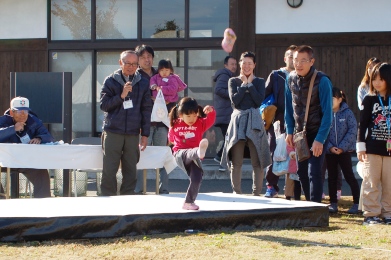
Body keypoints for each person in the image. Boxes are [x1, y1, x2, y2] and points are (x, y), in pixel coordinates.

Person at [100, 50, 153, 196]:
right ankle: (107, 200)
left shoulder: (143, 82)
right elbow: (104, 105)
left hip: (133, 132)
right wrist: (121, 95)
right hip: (113, 131)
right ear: (120, 63)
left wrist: (145, 134)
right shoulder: (110, 80)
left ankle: (128, 200)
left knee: (131, 170)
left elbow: (146, 109)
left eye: (134, 64)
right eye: (127, 63)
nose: (131, 67)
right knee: (109, 169)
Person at [285, 45, 333, 203]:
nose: (298, 64)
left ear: (312, 61)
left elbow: (328, 114)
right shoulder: (290, 78)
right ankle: (308, 207)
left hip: (318, 132)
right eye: (295, 60)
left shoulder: (323, 81)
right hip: (300, 134)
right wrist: (289, 131)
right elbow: (289, 107)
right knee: (302, 172)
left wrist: (320, 139)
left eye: (303, 61)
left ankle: (316, 208)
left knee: (314, 171)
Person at [221, 51, 271, 196]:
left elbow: (258, 100)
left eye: (250, 63)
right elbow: (235, 101)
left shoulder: (260, 81)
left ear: (254, 65)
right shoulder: (233, 81)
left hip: (255, 120)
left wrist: (249, 85)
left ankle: (257, 192)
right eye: (244, 63)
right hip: (237, 121)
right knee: (236, 161)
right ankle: (237, 192)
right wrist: (244, 85)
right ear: (240, 64)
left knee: (258, 160)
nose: (247, 66)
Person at [357, 62, 391, 225]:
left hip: (389, 150)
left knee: (389, 183)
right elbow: (362, 124)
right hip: (372, 148)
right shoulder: (369, 99)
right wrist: (360, 146)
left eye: (381, 79)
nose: (377, 82)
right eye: (374, 79)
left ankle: (388, 213)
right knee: (371, 182)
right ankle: (371, 214)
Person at [134, 45, 171, 194]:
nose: (146, 59)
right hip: (143, 124)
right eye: (143, 57)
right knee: (141, 157)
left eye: (149, 56)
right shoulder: (135, 76)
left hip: (161, 123)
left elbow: (173, 92)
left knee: (162, 155)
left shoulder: (161, 74)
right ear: (138, 59)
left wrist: (170, 101)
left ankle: (164, 189)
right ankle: (139, 190)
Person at [168, 97, 216, 210]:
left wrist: (211, 110)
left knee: (197, 178)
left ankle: (188, 202)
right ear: (181, 115)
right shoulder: (176, 124)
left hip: (194, 157)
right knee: (190, 152)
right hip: (180, 154)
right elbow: (170, 138)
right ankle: (198, 151)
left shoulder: (200, 123)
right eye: (188, 116)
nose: (191, 119)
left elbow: (211, 120)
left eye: (194, 115)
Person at [0, 97, 53, 198]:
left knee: (41, 173)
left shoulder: (34, 121)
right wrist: (13, 129)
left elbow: (49, 136)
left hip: (25, 161)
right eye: (19, 111)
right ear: (11, 113)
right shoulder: (3, 121)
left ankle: (43, 205)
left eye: (26, 111)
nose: (23, 114)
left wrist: (39, 138)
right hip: (3, 160)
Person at [264, 45, 296, 198]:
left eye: (295, 56)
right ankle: (271, 186)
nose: (292, 59)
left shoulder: (302, 75)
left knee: (295, 153)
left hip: (297, 121)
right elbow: (264, 96)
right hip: (278, 121)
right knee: (274, 152)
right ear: (285, 58)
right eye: (290, 56)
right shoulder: (276, 75)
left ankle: (292, 189)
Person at [326, 87, 360, 214]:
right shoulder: (326, 113)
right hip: (330, 152)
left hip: (344, 152)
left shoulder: (347, 113)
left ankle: (357, 202)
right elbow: (323, 131)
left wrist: (342, 147)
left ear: (340, 99)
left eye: (333, 98)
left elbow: (352, 130)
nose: (330, 101)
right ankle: (333, 203)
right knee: (332, 177)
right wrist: (330, 147)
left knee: (349, 176)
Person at [213, 55, 237, 171]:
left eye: (235, 64)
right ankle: (221, 160)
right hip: (225, 115)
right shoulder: (224, 75)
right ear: (225, 65)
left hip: (226, 114)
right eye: (231, 64)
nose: (234, 66)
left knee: (230, 139)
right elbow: (218, 89)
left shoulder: (228, 76)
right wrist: (233, 94)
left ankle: (222, 161)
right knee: (230, 139)